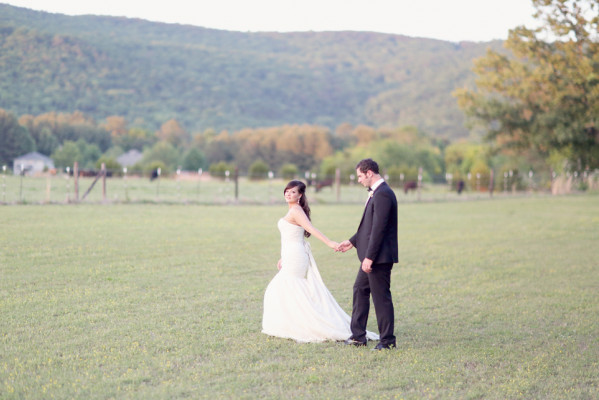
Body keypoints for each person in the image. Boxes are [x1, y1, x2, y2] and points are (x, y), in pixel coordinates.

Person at [262, 180, 379, 343]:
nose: (288, 194)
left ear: (300, 195)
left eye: (293, 192)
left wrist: (330, 242)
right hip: (292, 254)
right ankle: (292, 323)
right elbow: (294, 236)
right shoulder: (294, 210)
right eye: (287, 191)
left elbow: (311, 229)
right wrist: (283, 256)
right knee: (285, 288)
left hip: (296, 256)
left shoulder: (296, 210)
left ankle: (308, 324)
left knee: (281, 287)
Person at [337, 159, 398, 350]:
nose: (359, 180)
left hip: (378, 257)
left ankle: (387, 341)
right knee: (359, 289)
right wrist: (353, 241)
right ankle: (358, 337)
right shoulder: (376, 193)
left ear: (369, 173)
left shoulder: (383, 194)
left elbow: (379, 229)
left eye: (360, 176)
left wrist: (369, 257)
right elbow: (369, 227)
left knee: (381, 298)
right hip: (371, 255)